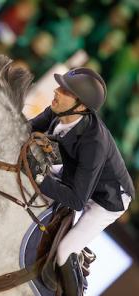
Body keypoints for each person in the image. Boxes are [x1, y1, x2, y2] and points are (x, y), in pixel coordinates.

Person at [28, 67, 135, 295]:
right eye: (61, 86)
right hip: (76, 175)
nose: (56, 91)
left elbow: (77, 200)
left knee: (64, 251)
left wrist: (38, 177)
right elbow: (27, 129)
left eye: (65, 90)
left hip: (107, 200)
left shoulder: (93, 143)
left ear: (81, 106)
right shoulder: (59, 110)